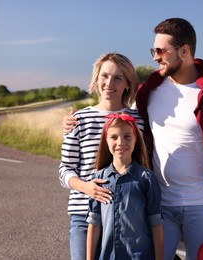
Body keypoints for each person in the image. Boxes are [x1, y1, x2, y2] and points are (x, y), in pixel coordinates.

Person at [135, 18, 203, 260]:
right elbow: (118, 121)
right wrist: (74, 119)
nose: (155, 57)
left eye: (161, 51)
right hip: (161, 203)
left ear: (184, 51)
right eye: (153, 50)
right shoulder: (147, 92)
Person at [59, 52, 142, 260]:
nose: (109, 83)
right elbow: (64, 171)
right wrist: (87, 187)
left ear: (128, 84)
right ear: (96, 79)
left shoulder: (138, 122)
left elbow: (142, 166)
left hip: (126, 216)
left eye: (117, 78)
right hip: (83, 216)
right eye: (104, 76)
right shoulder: (79, 119)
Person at [86, 112, 163, 260]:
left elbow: (156, 224)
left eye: (127, 136)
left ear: (135, 140)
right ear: (106, 140)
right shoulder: (98, 179)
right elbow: (94, 224)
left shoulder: (146, 179)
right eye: (114, 137)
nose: (121, 142)